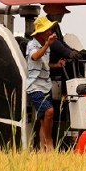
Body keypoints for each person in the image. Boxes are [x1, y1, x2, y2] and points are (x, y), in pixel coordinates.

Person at [26, 16, 58, 151]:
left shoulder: (47, 46)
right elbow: (35, 57)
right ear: (39, 32)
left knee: (44, 120)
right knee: (49, 111)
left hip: (46, 85)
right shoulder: (32, 45)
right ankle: (49, 141)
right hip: (35, 86)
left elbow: (42, 63)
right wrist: (47, 45)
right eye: (47, 30)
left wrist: (56, 65)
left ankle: (43, 149)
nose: (50, 33)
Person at [43, 4, 86, 79]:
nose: (62, 16)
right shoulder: (45, 25)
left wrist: (76, 52)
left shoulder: (55, 25)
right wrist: (69, 53)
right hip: (47, 57)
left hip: (54, 55)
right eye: (60, 14)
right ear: (52, 14)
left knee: (77, 59)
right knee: (68, 62)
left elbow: (61, 43)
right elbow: (54, 43)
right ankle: (66, 89)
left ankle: (79, 82)